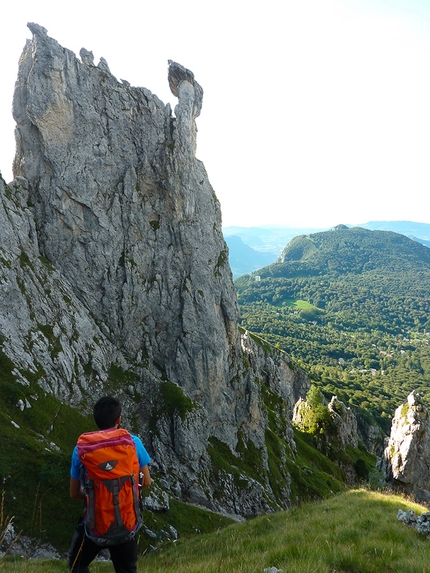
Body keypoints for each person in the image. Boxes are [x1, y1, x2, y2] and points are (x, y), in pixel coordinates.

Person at [68, 396, 151, 573]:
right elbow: (147, 481)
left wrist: (95, 493)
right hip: (126, 523)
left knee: (77, 563)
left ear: (95, 420)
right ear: (119, 419)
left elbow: (74, 493)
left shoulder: (81, 450)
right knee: (127, 569)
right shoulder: (134, 442)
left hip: (94, 523)